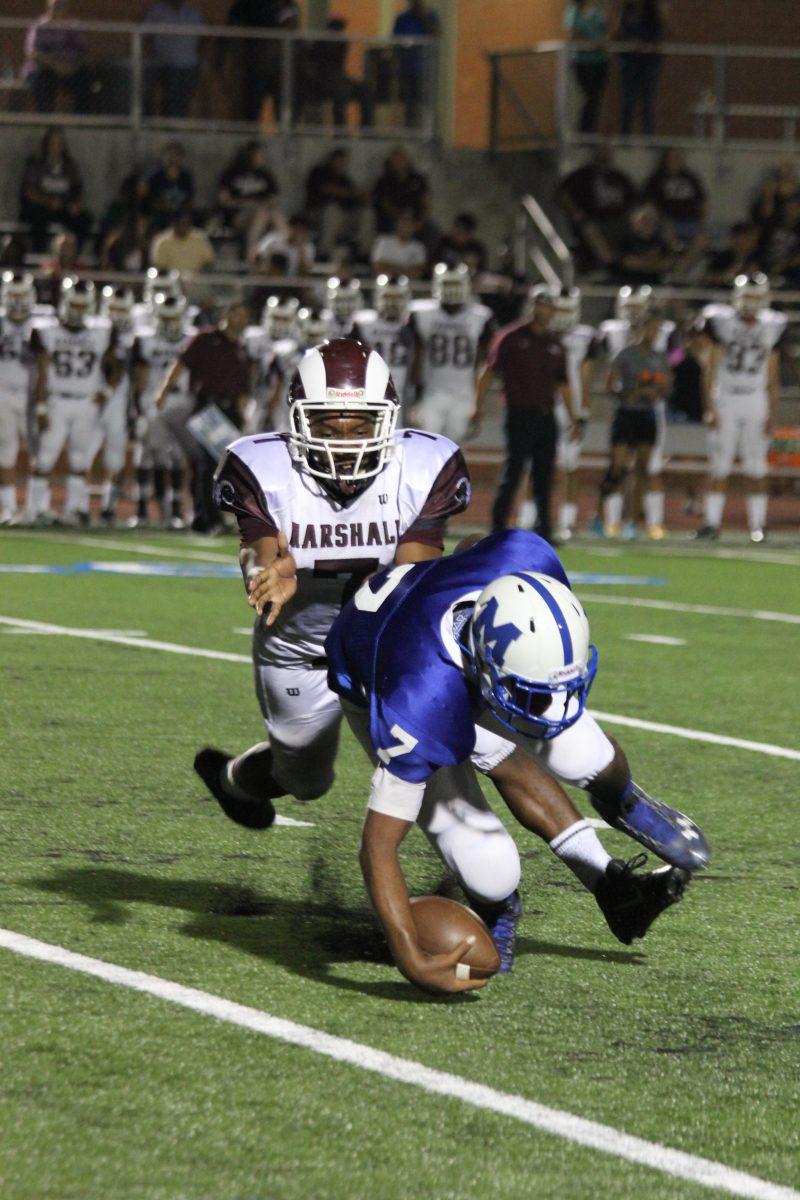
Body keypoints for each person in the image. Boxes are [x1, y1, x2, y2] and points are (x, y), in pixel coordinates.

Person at [325, 531, 707, 993]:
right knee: (490, 866)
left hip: (460, 653)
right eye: (527, 690)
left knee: (582, 752)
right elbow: (378, 847)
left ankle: (621, 814)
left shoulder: (526, 559)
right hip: (382, 680)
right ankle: (498, 911)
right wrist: (408, 952)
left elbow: (475, 546)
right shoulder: (417, 700)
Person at [193, 341, 483, 918]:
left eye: (361, 424)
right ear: (299, 419)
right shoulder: (263, 466)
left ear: (390, 422)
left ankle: (484, 887)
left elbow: (412, 575)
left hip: (381, 641)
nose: (345, 439)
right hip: (300, 646)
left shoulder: (423, 464)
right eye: (329, 422)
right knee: (304, 779)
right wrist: (266, 569)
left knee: (434, 755)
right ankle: (232, 780)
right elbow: (259, 549)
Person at [471, 286, 577, 544]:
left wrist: (574, 416)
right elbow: (488, 372)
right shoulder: (510, 337)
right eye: (541, 305)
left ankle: (544, 531)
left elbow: (563, 384)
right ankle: (498, 527)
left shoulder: (555, 343)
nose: (545, 311)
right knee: (513, 471)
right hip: (518, 413)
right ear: (532, 306)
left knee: (544, 474)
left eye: (549, 306)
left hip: (546, 414)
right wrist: (477, 405)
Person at [694, 274, 785, 543]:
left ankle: (758, 525)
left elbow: (773, 373)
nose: (750, 303)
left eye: (755, 298)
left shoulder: (773, 324)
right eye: (746, 297)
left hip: (755, 398)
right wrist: (710, 405)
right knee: (719, 464)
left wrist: (773, 412)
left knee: (757, 467)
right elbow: (709, 364)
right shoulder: (720, 320)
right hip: (727, 397)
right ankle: (711, 523)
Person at [26, 278, 120, 525]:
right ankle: (35, 509)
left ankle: (75, 510)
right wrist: (41, 405)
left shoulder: (102, 331)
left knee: (80, 459)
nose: (78, 311)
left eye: (82, 306)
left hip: (86, 403)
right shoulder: (47, 330)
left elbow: (117, 363)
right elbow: (42, 371)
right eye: (74, 305)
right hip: (57, 401)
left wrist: (108, 390)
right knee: (45, 457)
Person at [154, 297, 253, 532]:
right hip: (207, 407)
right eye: (237, 313)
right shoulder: (205, 339)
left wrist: (243, 417)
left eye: (244, 314)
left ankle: (213, 516)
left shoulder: (241, 349)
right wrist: (163, 392)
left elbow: (242, 389)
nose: (242, 319)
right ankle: (206, 518)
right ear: (227, 314)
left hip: (230, 411)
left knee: (226, 467)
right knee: (207, 464)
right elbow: (180, 364)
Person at [595, 285, 675, 537]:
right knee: (617, 468)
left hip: (647, 415)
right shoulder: (626, 354)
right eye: (650, 327)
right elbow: (609, 385)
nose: (654, 332)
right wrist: (633, 393)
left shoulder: (660, 357)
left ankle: (633, 519)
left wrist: (657, 391)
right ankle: (601, 514)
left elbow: (668, 386)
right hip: (626, 413)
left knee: (642, 469)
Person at [409, 263, 494, 443]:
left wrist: (479, 402)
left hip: (464, 393)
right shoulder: (422, 313)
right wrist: (414, 395)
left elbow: (483, 362)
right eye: (447, 285)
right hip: (432, 392)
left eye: (455, 285)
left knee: (454, 449)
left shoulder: (480, 316)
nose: (451, 290)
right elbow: (415, 356)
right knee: (426, 445)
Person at [130, 293, 194, 529]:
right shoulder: (145, 339)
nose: (169, 323)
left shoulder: (190, 339)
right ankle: (142, 509)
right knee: (147, 454)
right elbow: (139, 377)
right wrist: (136, 407)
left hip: (179, 401)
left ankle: (175, 510)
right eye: (165, 318)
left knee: (176, 455)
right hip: (153, 401)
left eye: (173, 318)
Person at [0, 274, 50, 525]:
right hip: (2, 394)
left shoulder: (43, 322)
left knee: (40, 450)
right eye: (13, 295)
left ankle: (37, 506)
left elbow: (45, 365)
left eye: (22, 295)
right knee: (5, 452)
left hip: (31, 395)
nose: (18, 302)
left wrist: (42, 402)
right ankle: (9, 508)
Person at [550, 287, 597, 541]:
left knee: (570, 465)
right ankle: (528, 517)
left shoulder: (584, 336)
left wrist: (584, 410)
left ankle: (567, 520)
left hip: (571, 406)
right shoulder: (542, 333)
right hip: (544, 403)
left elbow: (586, 375)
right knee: (535, 465)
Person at [557, 146, 637, 271]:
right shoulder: (583, 175)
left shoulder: (619, 177)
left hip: (620, 221)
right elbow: (562, 194)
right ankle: (610, 265)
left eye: (608, 153)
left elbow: (635, 199)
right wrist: (575, 212)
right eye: (602, 152)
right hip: (593, 220)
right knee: (590, 228)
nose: (605, 156)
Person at [19, 127, 92, 252]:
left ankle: (73, 254)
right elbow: (28, 192)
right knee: (37, 220)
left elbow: (78, 190)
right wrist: (48, 201)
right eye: (53, 143)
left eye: (59, 143)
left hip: (63, 208)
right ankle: (38, 252)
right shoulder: (36, 164)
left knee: (84, 219)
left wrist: (76, 205)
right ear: (46, 145)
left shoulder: (69, 166)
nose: (56, 147)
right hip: (41, 208)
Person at [297, 16, 375, 128]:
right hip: (322, 81)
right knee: (342, 91)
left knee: (366, 89)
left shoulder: (342, 44)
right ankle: (340, 132)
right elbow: (313, 69)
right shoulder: (319, 45)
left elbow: (339, 70)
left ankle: (367, 131)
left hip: (340, 79)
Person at [218, 140, 286, 264]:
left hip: (263, 214)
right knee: (261, 213)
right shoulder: (232, 173)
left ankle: (287, 245)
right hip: (238, 216)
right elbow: (224, 200)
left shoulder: (265, 175)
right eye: (258, 155)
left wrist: (262, 204)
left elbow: (274, 199)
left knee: (273, 213)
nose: (261, 158)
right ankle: (250, 254)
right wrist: (249, 203)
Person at [352, 275, 414, 407]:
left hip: (401, 388)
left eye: (397, 297)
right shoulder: (363, 324)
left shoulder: (412, 324)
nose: (392, 302)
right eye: (388, 297)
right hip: (369, 388)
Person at [23, 0, 91, 114]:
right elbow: (33, 53)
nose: (58, 9)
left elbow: (83, 53)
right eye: (55, 6)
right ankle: (46, 122)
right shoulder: (39, 27)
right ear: (48, 8)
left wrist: (72, 67)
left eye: (62, 6)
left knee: (84, 78)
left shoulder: (73, 27)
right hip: (44, 70)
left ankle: (80, 124)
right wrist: (57, 66)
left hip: (70, 70)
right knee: (43, 79)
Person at [643, 148, 706, 269]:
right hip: (665, 223)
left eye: (679, 157)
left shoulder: (691, 178)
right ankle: (669, 266)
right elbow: (649, 204)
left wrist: (701, 222)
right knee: (668, 237)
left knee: (701, 241)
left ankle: (680, 270)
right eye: (673, 157)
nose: (676, 160)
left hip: (690, 222)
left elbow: (703, 202)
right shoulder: (656, 179)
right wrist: (661, 220)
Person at [304, 148, 372, 260]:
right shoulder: (319, 173)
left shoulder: (346, 180)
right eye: (340, 160)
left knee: (367, 214)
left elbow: (355, 200)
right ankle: (324, 252)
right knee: (332, 210)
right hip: (318, 216)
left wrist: (362, 197)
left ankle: (363, 254)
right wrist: (350, 193)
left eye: (345, 162)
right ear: (332, 160)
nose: (343, 164)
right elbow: (326, 189)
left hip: (343, 219)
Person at [142, 0, 205, 118]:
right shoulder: (156, 11)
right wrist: (152, 58)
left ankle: (175, 131)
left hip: (188, 64)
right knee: (165, 99)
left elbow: (203, 38)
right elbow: (145, 36)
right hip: (162, 64)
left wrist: (201, 60)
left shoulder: (192, 13)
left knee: (182, 101)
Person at [615, 0, 668, 136]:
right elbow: (618, 33)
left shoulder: (653, 11)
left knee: (648, 101)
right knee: (629, 101)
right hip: (630, 61)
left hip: (649, 62)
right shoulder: (628, 10)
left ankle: (648, 137)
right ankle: (625, 137)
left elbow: (666, 32)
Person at [563, 0, 609, 134]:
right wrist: (593, 43)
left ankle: (590, 131)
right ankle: (583, 131)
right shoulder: (573, 11)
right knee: (589, 96)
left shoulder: (597, 10)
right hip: (582, 61)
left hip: (600, 60)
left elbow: (606, 30)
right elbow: (572, 36)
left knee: (596, 97)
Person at [392, 0, 439, 127]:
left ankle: (426, 128)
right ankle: (409, 127)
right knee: (408, 101)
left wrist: (424, 17)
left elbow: (436, 34)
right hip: (406, 67)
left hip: (425, 68)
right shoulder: (402, 18)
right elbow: (395, 39)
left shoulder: (430, 17)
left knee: (424, 100)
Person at [371, 147, 431, 236]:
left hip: (416, 218)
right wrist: (402, 220)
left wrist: (420, 222)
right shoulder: (384, 181)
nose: (398, 163)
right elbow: (385, 204)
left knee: (432, 231)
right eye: (394, 160)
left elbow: (425, 203)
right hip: (393, 219)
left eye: (400, 159)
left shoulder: (418, 179)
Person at [142, 142, 195, 234]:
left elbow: (189, 200)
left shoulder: (186, 177)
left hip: (179, 215)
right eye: (170, 155)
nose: (173, 159)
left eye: (176, 155)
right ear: (163, 157)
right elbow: (148, 200)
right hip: (159, 215)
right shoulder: (155, 177)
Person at [617, 203, 676, 285]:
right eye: (643, 220)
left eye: (650, 219)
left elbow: (668, 263)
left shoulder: (662, 240)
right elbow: (628, 262)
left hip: (659, 283)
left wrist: (646, 263)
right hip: (632, 282)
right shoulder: (627, 241)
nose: (646, 223)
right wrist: (652, 263)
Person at [151, 208, 215, 273]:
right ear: (174, 224)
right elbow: (159, 265)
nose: (184, 227)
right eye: (181, 224)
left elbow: (209, 261)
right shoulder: (162, 241)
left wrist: (201, 273)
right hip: (170, 280)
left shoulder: (200, 238)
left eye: (187, 224)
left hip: (198, 280)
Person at [371, 209, 428, 279]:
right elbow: (379, 267)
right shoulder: (383, 241)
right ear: (397, 223)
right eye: (403, 221)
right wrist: (406, 269)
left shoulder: (419, 247)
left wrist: (390, 267)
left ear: (414, 226)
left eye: (409, 222)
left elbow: (417, 273)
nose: (406, 226)